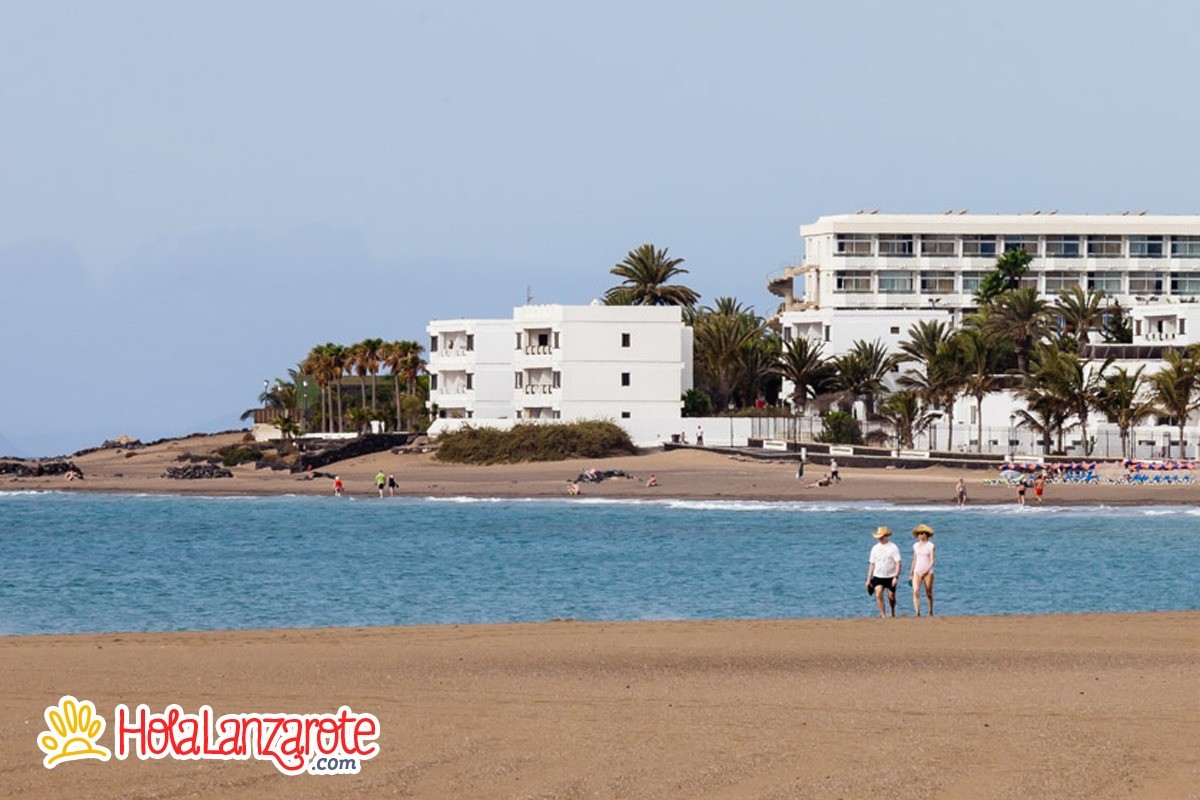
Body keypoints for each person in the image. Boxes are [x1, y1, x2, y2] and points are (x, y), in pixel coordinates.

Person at [866, 526, 902, 618]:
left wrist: (896, 577)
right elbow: (872, 564)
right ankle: (883, 615)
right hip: (878, 576)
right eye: (878, 537)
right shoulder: (875, 548)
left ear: (886, 536)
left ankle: (892, 611)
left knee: (891, 596)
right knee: (878, 594)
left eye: (881, 537)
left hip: (890, 576)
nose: (880, 539)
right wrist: (868, 579)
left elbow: (898, 563)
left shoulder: (893, 547)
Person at [910, 524, 936, 617]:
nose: (919, 535)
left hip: (928, 572)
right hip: (917, 571)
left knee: (928, 592)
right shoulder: (915, 545)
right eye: (918, 533)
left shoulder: (930, 545)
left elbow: (932, 560)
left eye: (921, 533)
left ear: (926, 534)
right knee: (915, 591)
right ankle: (917, 612)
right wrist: (911, 573)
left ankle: (930, 610)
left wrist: (927, 570)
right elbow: (914, 559)